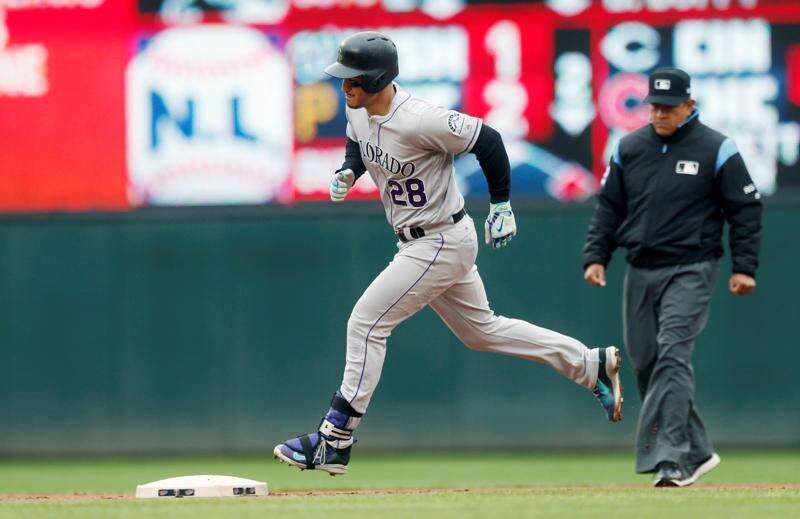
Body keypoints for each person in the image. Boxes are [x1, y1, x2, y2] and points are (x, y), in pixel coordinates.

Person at [273, 31, 623, 476]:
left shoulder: (421, 119)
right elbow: (359, 142)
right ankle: (588, 364)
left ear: (378, 79)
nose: (344, 86)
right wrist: (349, 169)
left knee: (366, 323)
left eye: (353, 79)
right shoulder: (358, 108)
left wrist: (500, 203)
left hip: (438, 240)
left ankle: (334, 439)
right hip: (420, 240)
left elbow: (489, 140)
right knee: (482, 331)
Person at [582, 67, 762, 487]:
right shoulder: (629, 147)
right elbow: (609, 208)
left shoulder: (717, 148)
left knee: (671, 356)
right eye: (655, 106)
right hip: (641, 268)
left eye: (669, 107)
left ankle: (672, 460)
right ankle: (698, 451)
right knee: (646, 363)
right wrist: (596, 256)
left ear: (689, 106)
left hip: (692, 266)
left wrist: (744, 267)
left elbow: (745, 210)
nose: (660, 114)